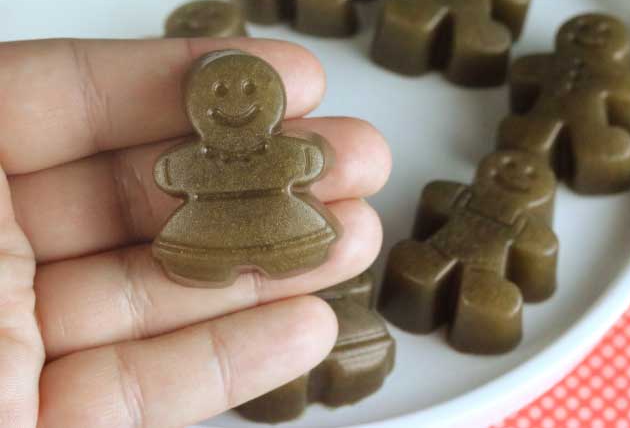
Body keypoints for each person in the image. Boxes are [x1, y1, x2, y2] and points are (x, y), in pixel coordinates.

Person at [0, 37, 391, 427]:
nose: (235, 102)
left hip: (280, 218)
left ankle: (282, 254)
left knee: (291, 247)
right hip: (206, 224)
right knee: (200, 253)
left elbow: (308, 160)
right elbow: (171, 172)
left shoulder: (282, 150)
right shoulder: (196, 156)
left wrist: (305, 157)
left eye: (250, 89)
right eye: (219, 92)